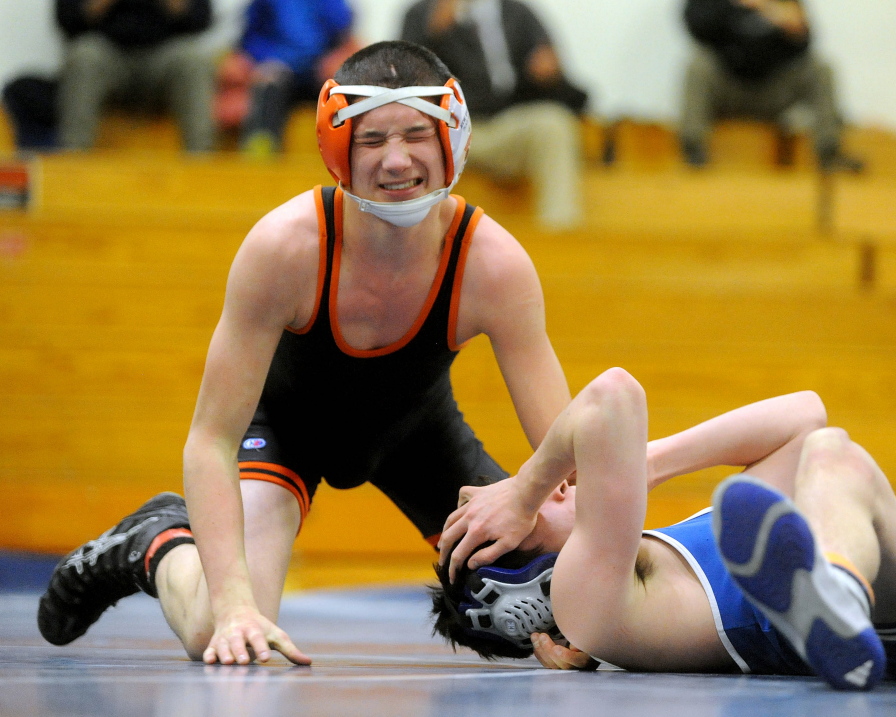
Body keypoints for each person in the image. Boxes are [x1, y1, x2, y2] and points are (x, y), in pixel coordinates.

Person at [37, 41, 571, 667]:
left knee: (546, 597)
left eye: (414, 136)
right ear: (336, 147)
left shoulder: (492, 265)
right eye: (372, 140)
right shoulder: (286, 249)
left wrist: (580, 605)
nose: (396, 161)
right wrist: (236, 602)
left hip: (417, 435)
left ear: (452, 137)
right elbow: (210, 439)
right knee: (220, 628)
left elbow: (565, 457)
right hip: (286, 431)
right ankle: (152, 542)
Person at [433, 368, 896, 689]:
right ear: (524, 593)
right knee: (834, 460)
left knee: (817, 457)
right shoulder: (587, 608)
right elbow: (612, 398)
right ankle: (839, 595)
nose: (549, 487)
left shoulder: (682, 550)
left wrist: (644, 466)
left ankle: (836, 591)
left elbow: (803, 415)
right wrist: (527, 486)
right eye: (518, 521)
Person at [401, 0, 586, 230]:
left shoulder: (518, 13)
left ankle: (561, 235)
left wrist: (550, 75)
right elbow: (403, 90)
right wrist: (433, 37)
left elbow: (560, 84)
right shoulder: (422, 14)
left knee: (553, 123)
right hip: (450, 131)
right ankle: (417, 239)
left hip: (506, 128)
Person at [679, 0, 864, 172]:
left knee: (820, 69)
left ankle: (829, 151)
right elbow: (696, 24)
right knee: (698, 66)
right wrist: (741, 5)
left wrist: (776, 14)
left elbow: (803, 40)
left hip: (773, 92)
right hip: (728, 89)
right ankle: (693, 147)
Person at [55, 0, 217, 152]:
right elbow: (68, 20)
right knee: (84, 54)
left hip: (164, 58)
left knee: (194, 60)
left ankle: (202, 162)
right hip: (108, 55)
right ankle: (73, 157)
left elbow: (201, 20)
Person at [214, 0, 361, 157]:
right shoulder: (264, 4)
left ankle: (346, 157)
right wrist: (265, 61)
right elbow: (251, 39)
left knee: (341, 87)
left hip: (318, 70)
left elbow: (342, 29)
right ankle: (260, 154)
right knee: (268, 86)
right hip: (278, 71)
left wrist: (333, 58)